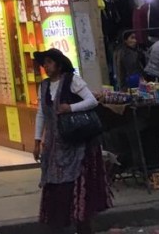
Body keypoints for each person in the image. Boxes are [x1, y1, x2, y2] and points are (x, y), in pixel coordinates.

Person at [32, 49, 110, 234]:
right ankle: (61, 223)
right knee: (55, 185)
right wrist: (37, 140)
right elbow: (41, 113)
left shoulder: (72, 81)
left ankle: (82, 224)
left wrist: (70, 108)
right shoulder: (43, 86)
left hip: (75, 143)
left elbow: (91, 101)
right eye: (45, 63)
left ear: (59, 65)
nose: (46, 66)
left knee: (75, 184)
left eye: (50, 62)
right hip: (53, 144)